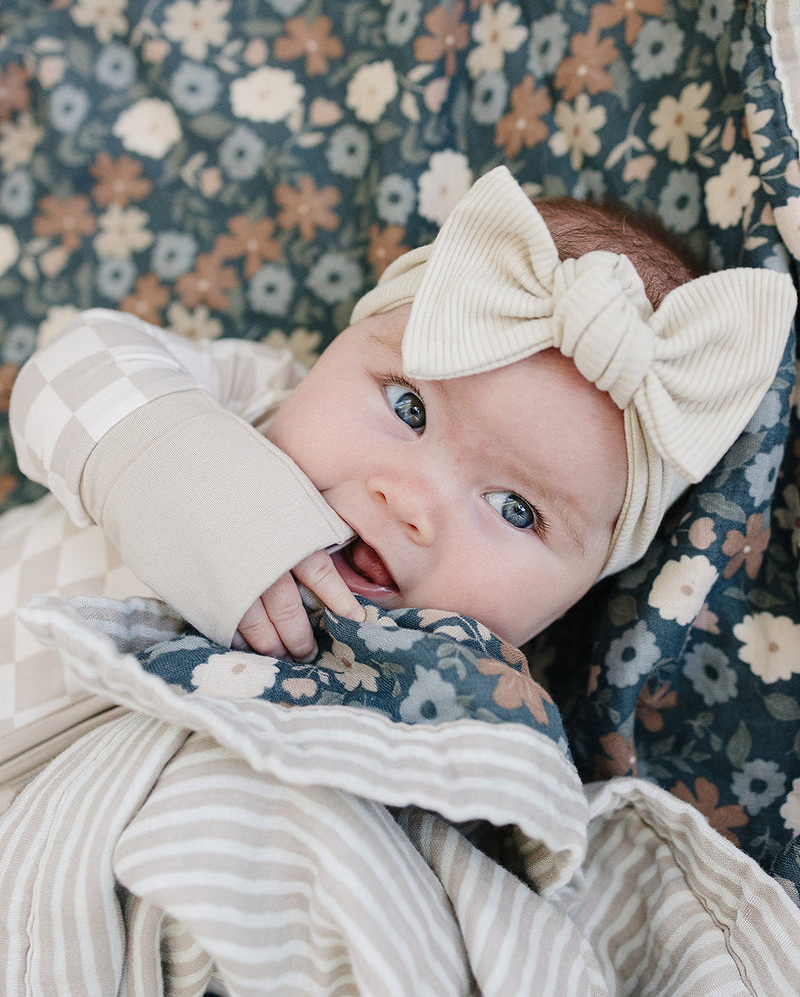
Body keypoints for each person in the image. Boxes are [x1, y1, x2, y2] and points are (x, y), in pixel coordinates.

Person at [9, 166, 796, 662]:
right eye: (408, 405)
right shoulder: (252, 400)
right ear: (342, 344)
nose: (412, 503)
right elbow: (68, 366)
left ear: (584, 591)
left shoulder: (464, 691)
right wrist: (168, 464)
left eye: (517, 510)